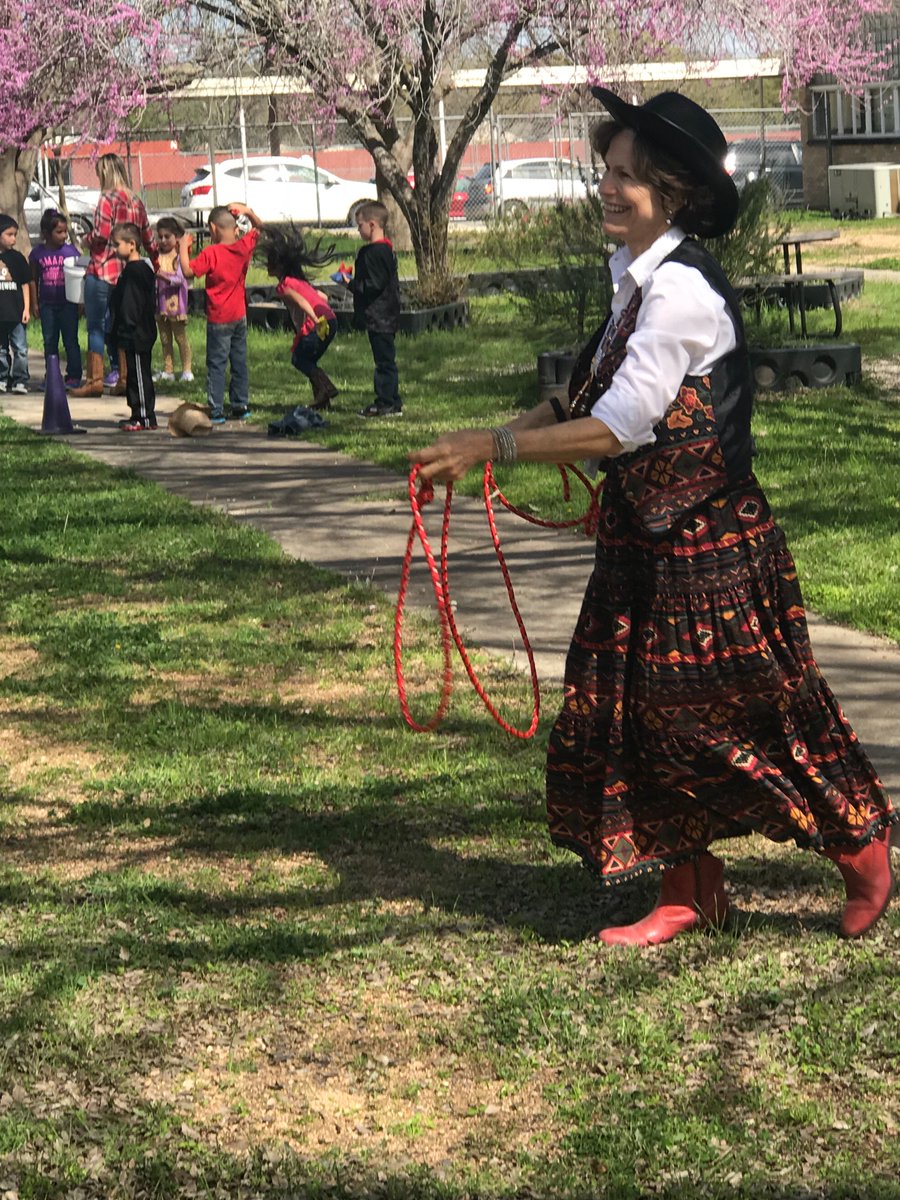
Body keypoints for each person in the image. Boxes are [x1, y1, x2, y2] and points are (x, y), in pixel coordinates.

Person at [410, 90, 897, 947]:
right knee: (639, 717)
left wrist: (492, 448)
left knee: (753, 713)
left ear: (671, 193)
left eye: (627, 177)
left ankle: (861, 847)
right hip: (642, 546)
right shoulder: (632, 279)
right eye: (607, 171)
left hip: (711, 551)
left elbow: (624, 423)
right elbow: (582, 393)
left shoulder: (680, 291)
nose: (608, 187)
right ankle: (690, 887)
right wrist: (494, 439)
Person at [71, 153, 157, 399]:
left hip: (102, 269)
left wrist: (84, 240)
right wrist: (155, 262)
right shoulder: (135, 200)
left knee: (95, 327)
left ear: (105, 173)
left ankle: (95, 380)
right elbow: (147, 235)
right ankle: (124, 377)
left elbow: (101, 233)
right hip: (125, 274)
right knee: (121, 326)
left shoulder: (106, 200)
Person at [179, 202, 262, 425]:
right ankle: (240, 404)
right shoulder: (243, 247)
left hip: (218, 318)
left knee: (216, 364)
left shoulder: (211, 253)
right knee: (239, 361)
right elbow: (260, 229)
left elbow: (188, 272)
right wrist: (248, 211)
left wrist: (183, 249)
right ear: (234, 228)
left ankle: (216, 408)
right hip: (239, 316)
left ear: (213, 229)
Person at [262, 225, 338, 409]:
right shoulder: (300, 281)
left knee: (299, 359)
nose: (266, 265)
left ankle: (326, 388)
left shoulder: (284, 287)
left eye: (270, 262)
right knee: (308, 360)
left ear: (279, 265)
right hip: (331, 320)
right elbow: (323, 297)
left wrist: (315, 319)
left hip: (318, 323)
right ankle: (322, 400)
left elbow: (302, 302)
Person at [347, 201, 401, 418]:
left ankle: (385, 402)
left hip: (379, 315)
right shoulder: (386, 249)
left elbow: (374, 285)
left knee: (383, 362)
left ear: (372, 224)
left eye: (360, 225)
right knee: (386, 358)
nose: (358, 230)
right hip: (386, 313)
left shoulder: (374, 253)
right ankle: (393, 400)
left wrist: (350, 283)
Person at [109, 222, 157, 432]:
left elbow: (132, 304)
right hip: (133, 333)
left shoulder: (136, 272)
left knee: (139, 375)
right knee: (134, 374)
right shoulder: (133, 270)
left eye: (116, 244)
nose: (114, 249)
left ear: (132, 244)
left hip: (138, 333)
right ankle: (137, 413)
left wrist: (126, 326)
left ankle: (145, 416)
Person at [29, 209, 83, 387]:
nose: (64, 235)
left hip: (68, 304)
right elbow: (33, 279)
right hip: (47, 306)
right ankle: (52, 376)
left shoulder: (71, 252)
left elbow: (81, 274)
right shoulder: (37, 254)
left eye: (65, 231)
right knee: (50, 341)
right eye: (59, 232)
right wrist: (35, 303)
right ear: (46, 234)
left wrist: (80, 301)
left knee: (70, 341)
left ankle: (74, 375)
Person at [153, 216, 192, 383]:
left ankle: (186, 370)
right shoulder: (156, 257)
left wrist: (162, 276)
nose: (162, 241)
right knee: (165, 338)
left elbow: (180, 279)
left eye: (167, 237)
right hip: (160, 304)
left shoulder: (179, 257)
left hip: (177, 305)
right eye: (160, 236)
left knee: (180, 338)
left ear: (176, 237)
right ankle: (168, 370)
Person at [0, 214, 31, 395]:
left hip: (16, 313)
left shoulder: (18, 259)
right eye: (9, 234)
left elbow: (25, 284)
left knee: (20, 348)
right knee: (1, 350)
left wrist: (26, 308)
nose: (13, 238)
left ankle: (20, 379)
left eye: (15, 235)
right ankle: (3, 378)